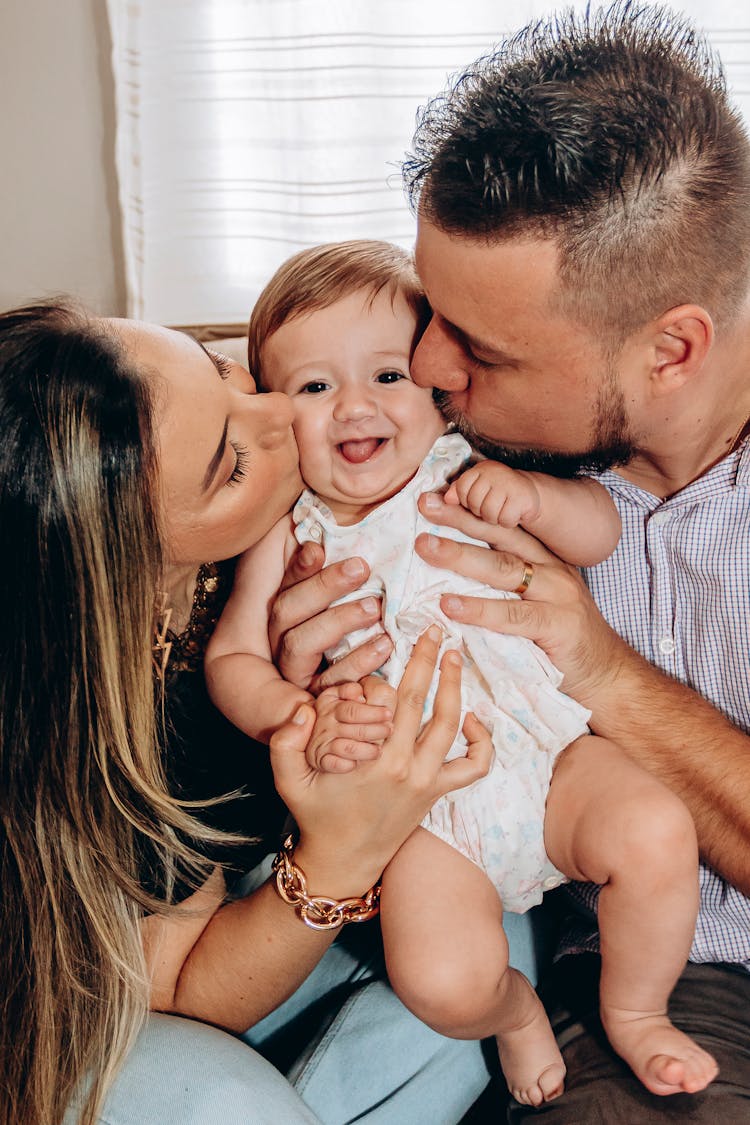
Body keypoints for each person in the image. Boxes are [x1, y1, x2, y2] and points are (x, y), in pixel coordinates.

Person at [205, 239, 717, 1107]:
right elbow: (233, 658)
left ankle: (633, 1010)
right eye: (315, 386)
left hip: (553, 751)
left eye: (387, 376)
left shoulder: (470, 465)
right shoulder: (290, 525)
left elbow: (601, 530)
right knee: (440, 982)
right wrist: (298, 715)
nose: (354, 406)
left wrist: (538, 502)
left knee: (659, 833)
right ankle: (517, 1013)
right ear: (273, 414)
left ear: (439, 394)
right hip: (421, 810)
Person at [0, 298, 498, 1125]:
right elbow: (180, 990)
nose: (280, 412)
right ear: (126, 568)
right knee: (231, 1105)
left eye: (222, 371)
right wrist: (344, 849)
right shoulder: (82, 719)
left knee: (478, 971)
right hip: (98, 1016)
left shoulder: (301, 527)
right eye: (230, 463)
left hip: (252, 910)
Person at [390, 2, 750, 1120]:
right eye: (426, 310)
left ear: (672, 349)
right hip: (664, 980)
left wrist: (599, 665)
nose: (424, 364)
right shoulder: (443, 448)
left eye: (479, 349)